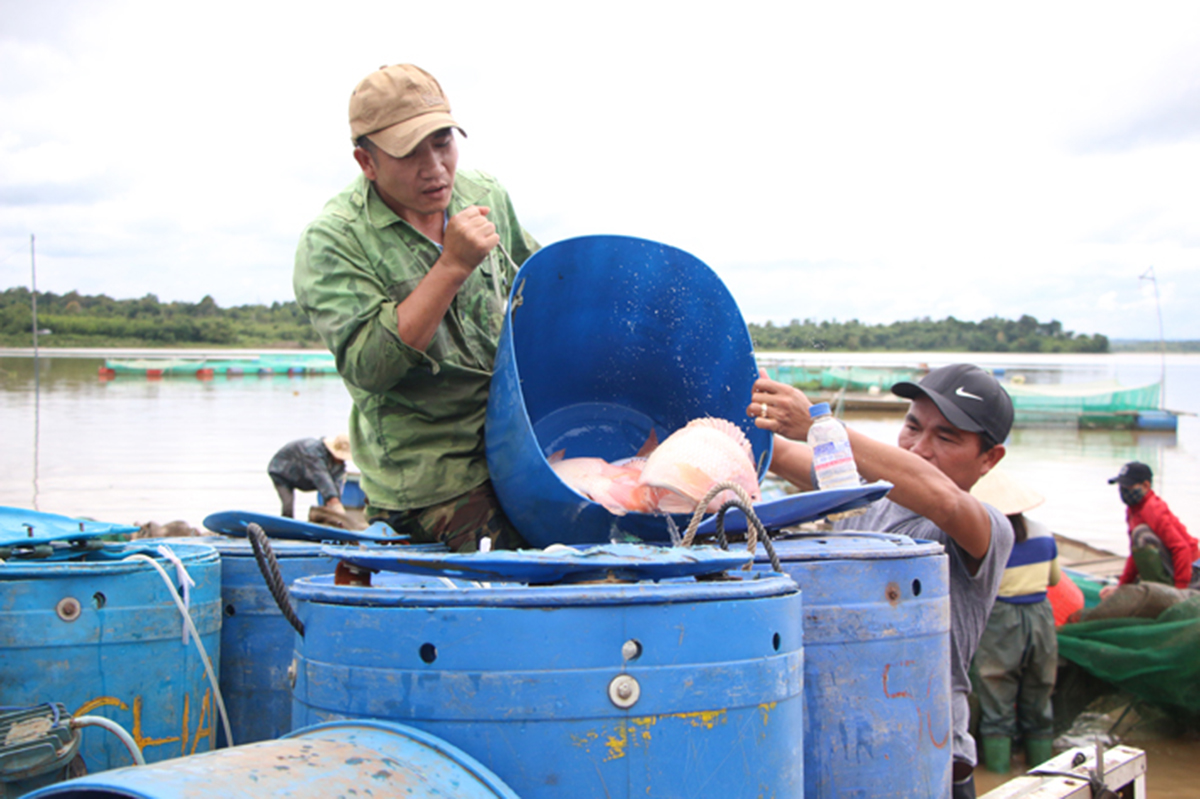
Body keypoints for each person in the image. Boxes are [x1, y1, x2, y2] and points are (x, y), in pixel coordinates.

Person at [294, 63, 538, 553]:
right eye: (410, 153)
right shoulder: (333, 240)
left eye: (443, 141)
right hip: (431, 478)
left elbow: (539, 294)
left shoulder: (483, 194)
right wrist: (451, 267)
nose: (436, 167)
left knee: (608, 533)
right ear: (367, 162)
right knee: (530, 567)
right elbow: (370, 367)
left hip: (515, 442)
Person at [750, 363, 1015, 799]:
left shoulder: (985, 529)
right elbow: (778, 454)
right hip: (841, 743)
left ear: (990, 458)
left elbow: (944, 499)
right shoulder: (864, 497)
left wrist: (820, 425)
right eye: (912, 426)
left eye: (946, 437)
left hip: (926, 757)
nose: (919, 448)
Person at [967, 468, 1060, 774]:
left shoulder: (988, 538)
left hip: (1002, 619)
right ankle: (1045, 776)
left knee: (996, 697)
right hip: (1041, 616)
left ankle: (998, 778)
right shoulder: (1044, 533)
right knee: (1039, 697)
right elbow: (1054, 579)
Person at [1100, 460, 1200, 599]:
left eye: (1127, 486)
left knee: (1142, 535)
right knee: (1139, 538)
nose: (1123, 491)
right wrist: (1121, 586)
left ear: (1146, 485)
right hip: (1173, 564)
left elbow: (1182, 549)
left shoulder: (1152, 509)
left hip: (1192, 570)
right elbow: (1135, 554)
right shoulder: (1132, 511)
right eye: (1121, 486)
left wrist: (1180, 591)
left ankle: (1172, 588)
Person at [268, 435, 351, 518]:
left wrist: (336, 505)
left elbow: (334, 483)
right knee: (288, 506)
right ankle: (285, 527)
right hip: (282, 472)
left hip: (303, 475)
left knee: (330, 502)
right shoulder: (312, 451)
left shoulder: (339, 465)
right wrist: (333, 500)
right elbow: (320, 476)